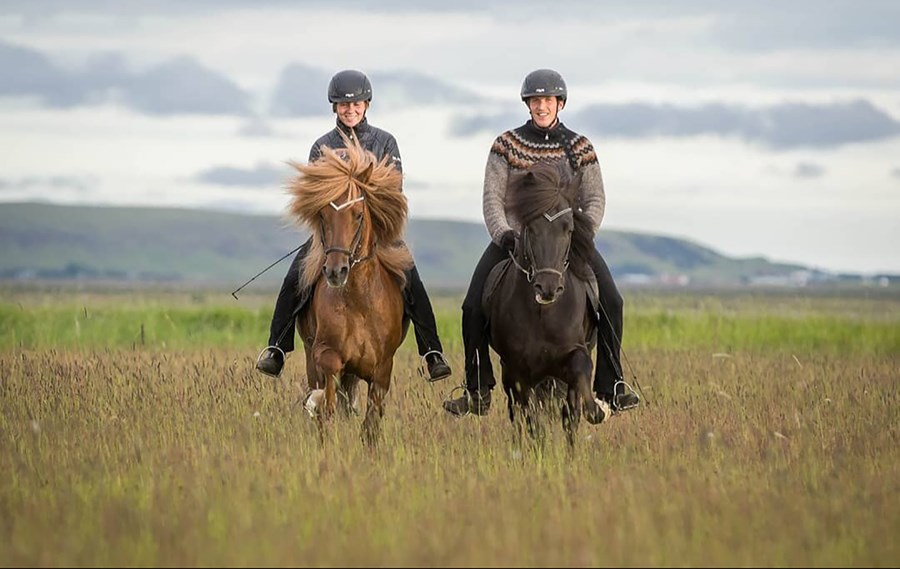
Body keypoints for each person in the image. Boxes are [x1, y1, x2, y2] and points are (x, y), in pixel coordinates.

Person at [443, 68, 639, 416]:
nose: (541, 105)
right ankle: (477, 388)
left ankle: (612, 386)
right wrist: (503, 233)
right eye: (535, 100)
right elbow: (492, 197)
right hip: (517, 239)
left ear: (559, 103)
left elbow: (595, 199)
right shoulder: (506, 145)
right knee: (473, 306)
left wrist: (579, 233)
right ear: (527, 104)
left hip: (566, 240)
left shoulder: (580, 147)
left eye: (547, 100)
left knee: (612, 300)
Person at [256, 69, 452, 382]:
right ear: (334, 108)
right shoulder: (322, 146)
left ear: (367, 104)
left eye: (356, 104)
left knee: (411, 278)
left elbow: (394, 192)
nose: (350, 110)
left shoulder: (385, 142)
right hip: (332, 235)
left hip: (376, 233)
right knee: (295, 276)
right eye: (344, 105)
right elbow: (313, 195)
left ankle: (432, 351)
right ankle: (277, 347)